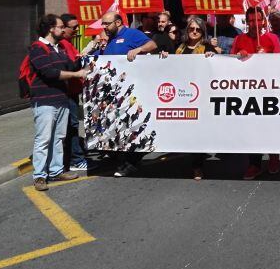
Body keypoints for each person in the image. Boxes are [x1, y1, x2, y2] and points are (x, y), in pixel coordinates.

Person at [28, 14, 88, 190]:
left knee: (58, 137)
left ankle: (56, 171)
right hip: (45, 101)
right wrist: (77, 75)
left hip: (61, 98)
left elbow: (71, 65)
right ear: (51, 29)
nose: (64, 30)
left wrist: (90, 52)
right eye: (61, 27)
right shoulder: (37, 48)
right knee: (43, 139)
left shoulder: (58, 48)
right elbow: (50, 73)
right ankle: (39, 175)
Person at [100, 13, 157, 177]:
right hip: (114, 91)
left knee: (131, 125)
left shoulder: (131, 34)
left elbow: (152, 45)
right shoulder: (109, 38)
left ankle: (131, 162)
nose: (104, 27)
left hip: (131, 91)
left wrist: (138, 49)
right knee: (118, 126)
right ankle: (122, 159)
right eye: (103, 24)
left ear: (118, 22)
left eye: (107, 23)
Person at [160, 16, 215, 180]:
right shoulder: (180, 47)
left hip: (201, 95)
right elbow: (172, 65)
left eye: (198, 29)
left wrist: (213, 57)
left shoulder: (207, 47)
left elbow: (216, 67)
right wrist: (165, 57)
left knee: (197, 132)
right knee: (186, 131)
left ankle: (197, 167)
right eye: (191, 29)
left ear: (203, 32)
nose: (195, 32)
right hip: (182, 94)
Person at [231, 7, 280, 179]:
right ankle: (254, 163)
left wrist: (266, 56)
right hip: (248, 92)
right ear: (247, 22)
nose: (255, 24)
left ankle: (274, 157)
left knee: (271, 125)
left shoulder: (272, 38)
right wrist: (239, 57)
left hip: (269, 90)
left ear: (263, 22)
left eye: (258, 20)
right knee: (252, 128)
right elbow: (229, 63)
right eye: (251, 21)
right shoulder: (239, 39)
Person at [59, 14, 88, 171]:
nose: (77, 30)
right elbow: (71, 66)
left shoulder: (67, 43)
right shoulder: (63, 44)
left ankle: (74, 157)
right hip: (68, 93)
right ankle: (76, 160)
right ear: (63, 28)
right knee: (72, 125)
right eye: (74, 27)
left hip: (73, 91)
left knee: (73, 125)